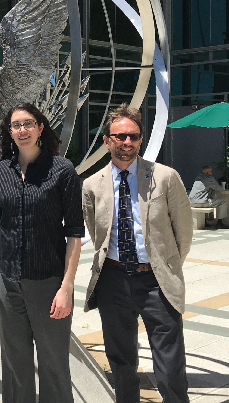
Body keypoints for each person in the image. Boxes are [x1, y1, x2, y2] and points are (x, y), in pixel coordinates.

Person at [82, 104, 193, 403]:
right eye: (119, 136)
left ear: (140, 139)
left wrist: (164, 266)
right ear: (107, 140)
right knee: (121, 362)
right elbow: (97, 234)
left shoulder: (166, 177)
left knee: (170, 366)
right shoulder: (91, 186)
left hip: (157, 282)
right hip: (113, 280)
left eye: (133, 136)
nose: (126, 143)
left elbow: (183, 231)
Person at [0, 103, 84, 403]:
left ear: (41, 127)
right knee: (15, 364)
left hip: (48, 282)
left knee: (53, 364)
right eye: (16, 125)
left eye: (28, 123)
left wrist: (66, 287)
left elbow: (75, 233)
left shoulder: (62, 171)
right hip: (8, 281)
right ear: (9, 132)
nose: (22, 130)